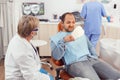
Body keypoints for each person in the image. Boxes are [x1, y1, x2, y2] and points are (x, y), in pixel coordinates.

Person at [50, 12, 120, 80]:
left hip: (91, 59)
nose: (71, 25)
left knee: (117, 76)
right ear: (62, 23)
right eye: (68, 22)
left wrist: (95, 56)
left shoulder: (79, 33)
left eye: (73, 22)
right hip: (75, 63)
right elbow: (56, 57)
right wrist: (63, 41)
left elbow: (90, 46)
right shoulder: (56, 38)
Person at [5, 15, 54, 80]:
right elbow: (31, 77)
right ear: (32, 32)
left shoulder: (19, 38)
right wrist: (48, 78)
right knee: (50, 78)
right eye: (37, 29)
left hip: (28, 71)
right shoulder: (22, 50)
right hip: (19, 77)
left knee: (47, 74)